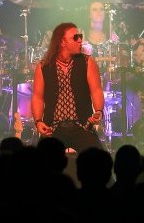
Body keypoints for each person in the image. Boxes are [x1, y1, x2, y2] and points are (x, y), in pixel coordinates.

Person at [32, 22, 105, 152]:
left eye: (80, 36)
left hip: (82, 126)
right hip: (53, 128)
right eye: (75, 37)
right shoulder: (43, 66)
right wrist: (38, 121)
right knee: (41, 162)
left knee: (99, 160)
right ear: (62, 42)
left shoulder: (87, 62)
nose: (80, 40)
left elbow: (96, 90)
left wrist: (98, 111)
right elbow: (38, 97)